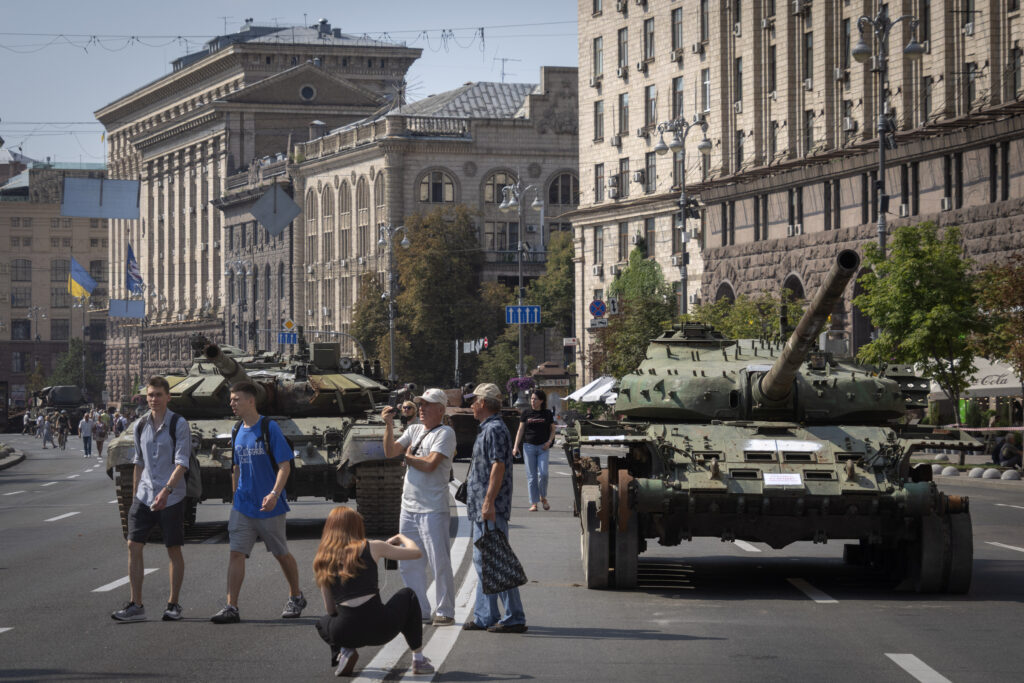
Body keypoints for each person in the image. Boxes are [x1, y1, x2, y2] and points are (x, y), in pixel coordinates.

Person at [210, 380, 306, 624]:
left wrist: (274, 494)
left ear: (251, 401)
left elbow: (285, 465)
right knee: (236, 553)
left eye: (236, 399)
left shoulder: (268, 427)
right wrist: (235, 499)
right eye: (231, 399)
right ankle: (232, 606)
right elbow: (236, 467)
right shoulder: (236, 430)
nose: (232, 403)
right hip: (243, 504)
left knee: (280, 553)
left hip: (269, 505)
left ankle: (296, 596)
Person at [313, 507, 434, 676]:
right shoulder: (373, 546)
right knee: (409, 595)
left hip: (345, 632)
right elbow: (416, 553)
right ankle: (419, 659)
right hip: (381, 628)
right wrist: (401, 537)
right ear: (357, 526)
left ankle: (343, 651)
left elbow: (330, 610)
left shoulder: (322, 559)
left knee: (322, 622)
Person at [111, 376, 190, 622]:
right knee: (133, 545)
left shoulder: (179, 424)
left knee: (173, 549)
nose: (154, 399)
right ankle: (136, 604)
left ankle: (173, 604)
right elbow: (138, 463)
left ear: (168, 397)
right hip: (145, 496)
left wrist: (166, 492)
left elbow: (182, 463)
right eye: (150, 395)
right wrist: (136, 498)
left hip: (172, 496)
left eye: (158, 394)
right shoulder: (140, 425)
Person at [381, 388, 457, 626]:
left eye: (427, 405)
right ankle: (420, 610)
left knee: (439, 561)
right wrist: (389, 425)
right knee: (409, 562)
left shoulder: (446, 433)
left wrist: (409, 458)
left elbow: (431, 464)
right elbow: (390, 451)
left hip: (433, 508)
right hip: (409, 508)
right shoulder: (413, 429)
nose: (421, 408)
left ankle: (444, 610)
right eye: (420, 404)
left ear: (441, 410)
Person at [463, 383, 527, 633]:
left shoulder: (495, 429)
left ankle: (514, 617)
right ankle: (485, 616)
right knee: (484, 560)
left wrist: (488, 502)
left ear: (482, 403)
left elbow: (497, 466)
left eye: (473, 401)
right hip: (483, 506)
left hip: (490, 507)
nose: (471, 406)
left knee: (496, 559)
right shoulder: (489, 428)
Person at [512, 389, 557, 512]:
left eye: (535, 399)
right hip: (529, 447)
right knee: (532, 477)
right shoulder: (526, 413)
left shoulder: (547, 413)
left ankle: (543, 496)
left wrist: (549, 441)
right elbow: (520, 430)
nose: (532, 401)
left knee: (543, 474)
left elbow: (553, 429)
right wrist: (515, 446)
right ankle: (534, 503)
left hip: (543, 447)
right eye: (531, 399)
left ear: (541, 401)